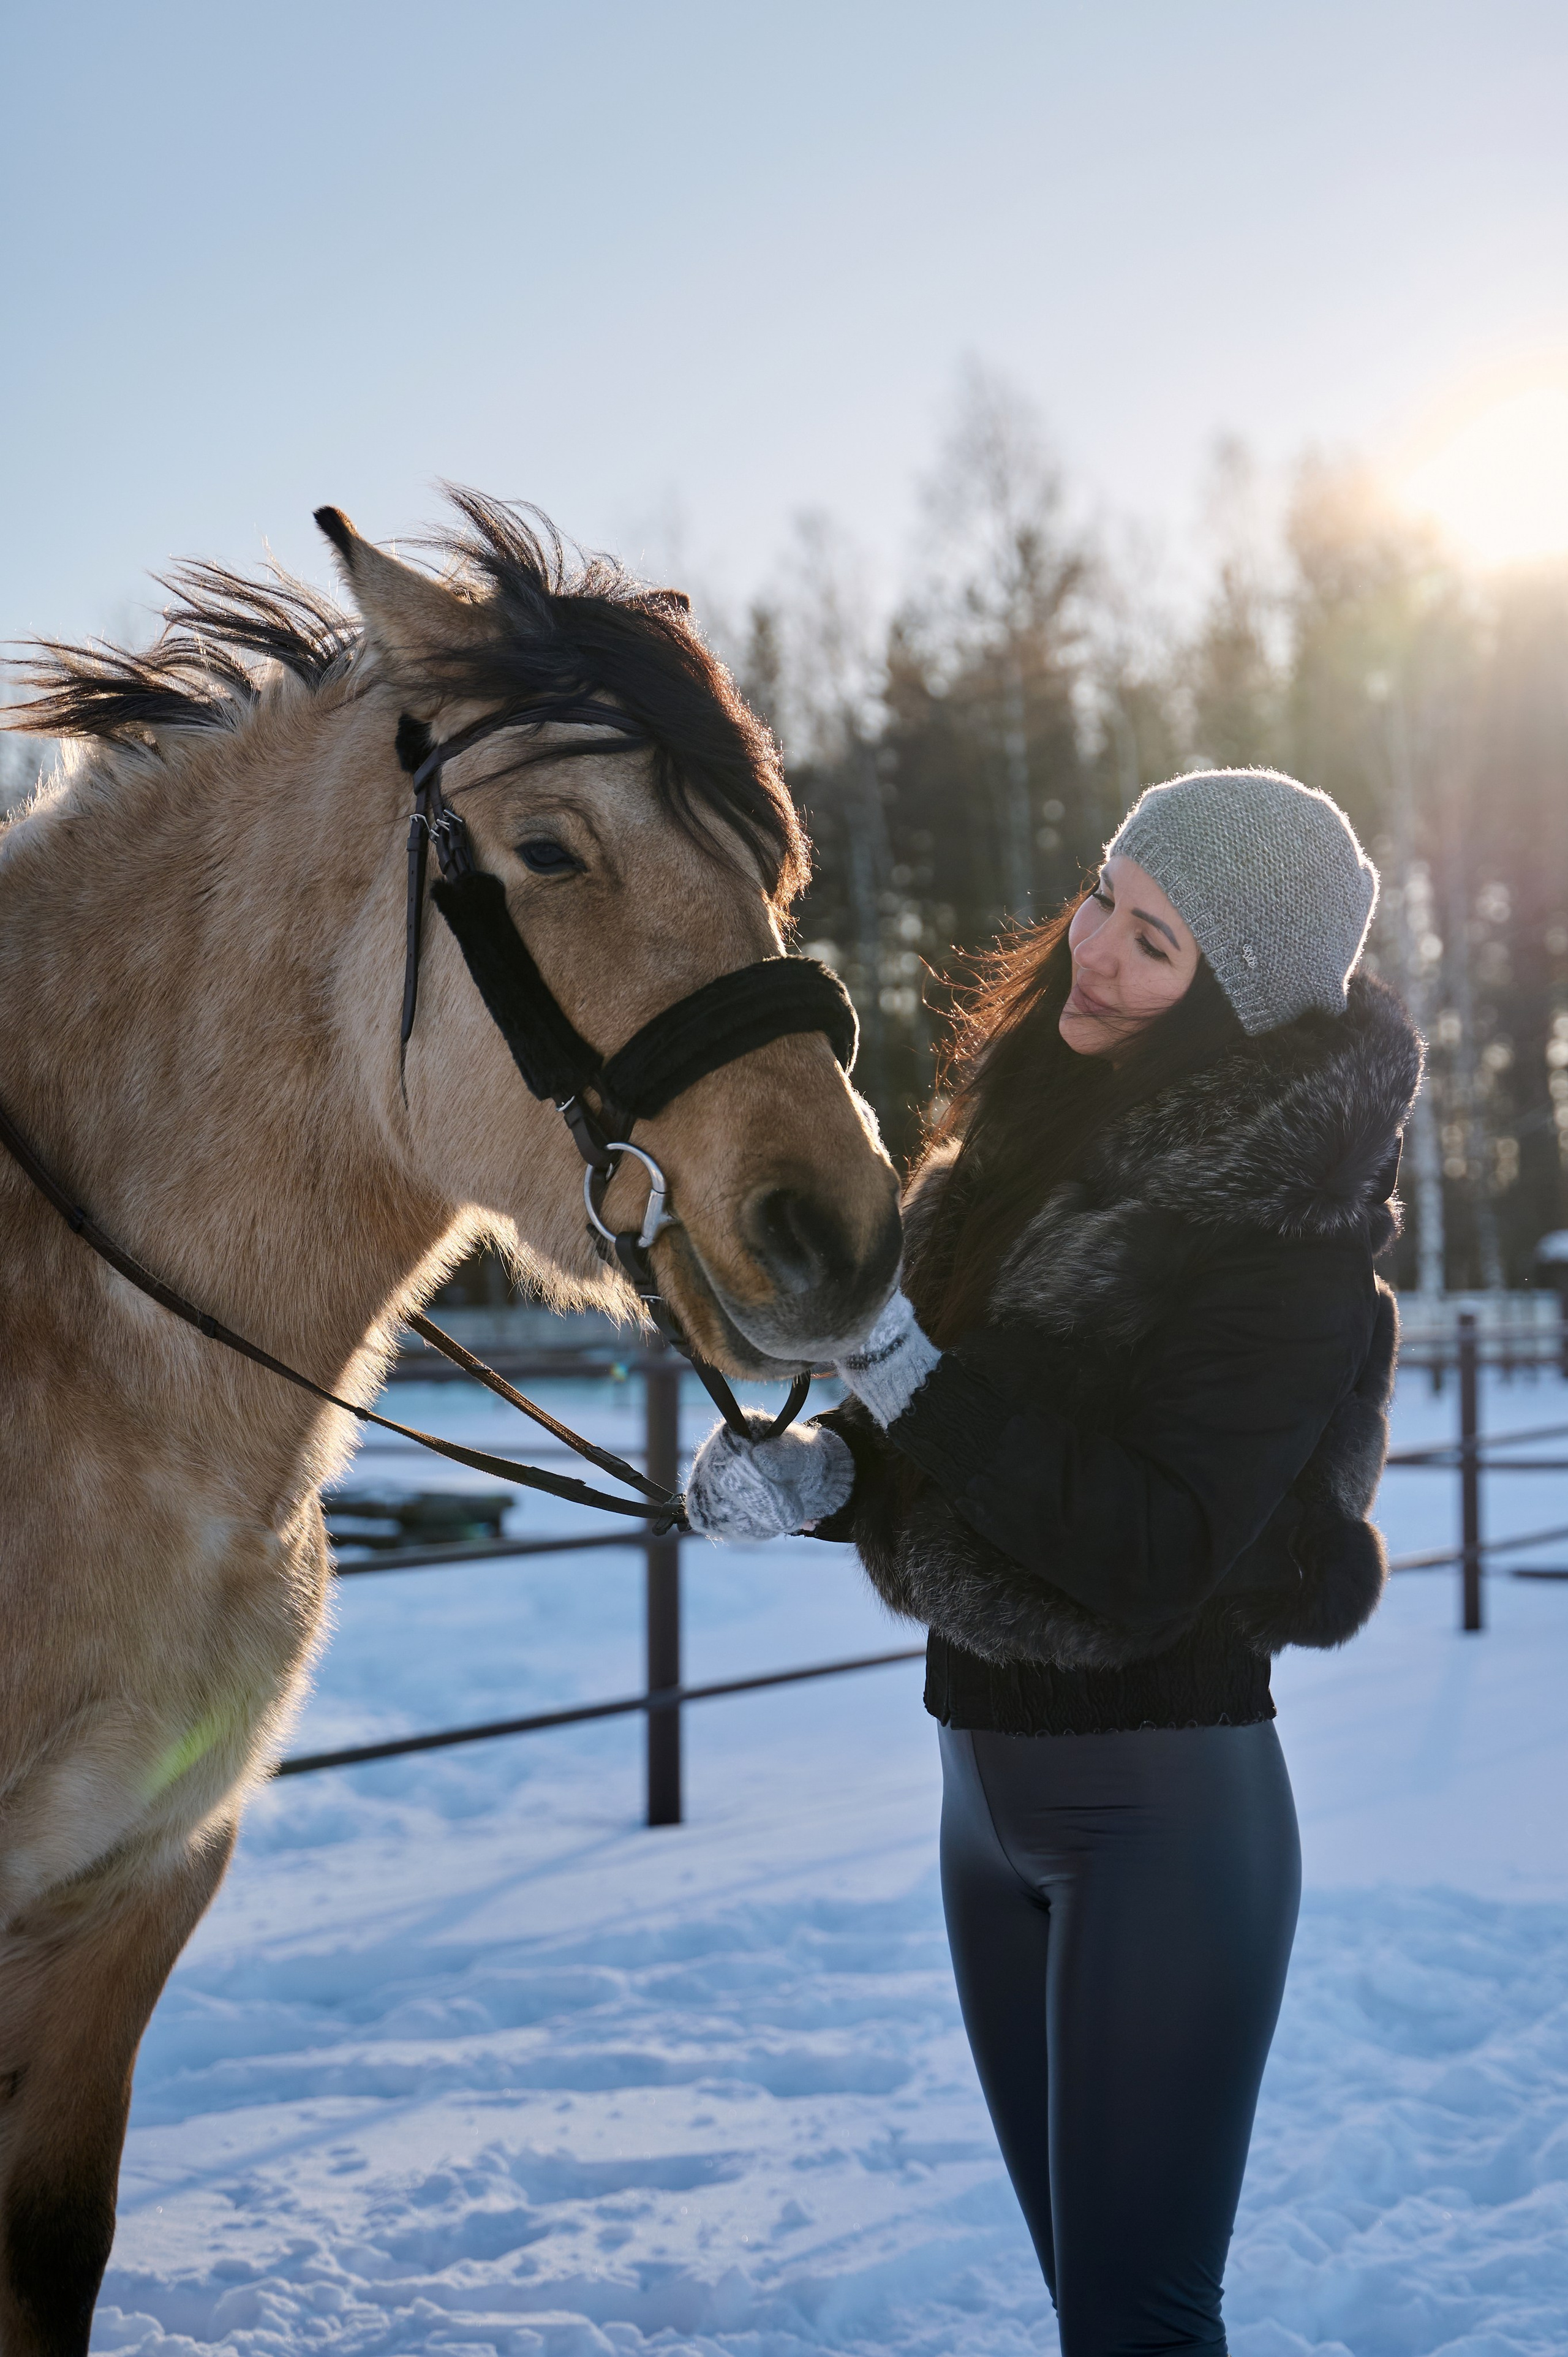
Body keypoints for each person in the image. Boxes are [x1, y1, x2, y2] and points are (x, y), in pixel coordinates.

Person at [685, 768, 1423, 2357]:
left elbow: (1146, 1555)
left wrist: (899, 1372)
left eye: (1155, 944)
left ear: (1229, 1003)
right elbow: (945, 1466)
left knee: (1139, 2321)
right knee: (1086, 2304)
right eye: (1106, 895)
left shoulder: (1287, 1256)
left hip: (1166, 1818)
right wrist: (813, 1485)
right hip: (982, 1813)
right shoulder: (1003, 1159)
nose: (1092, 949)